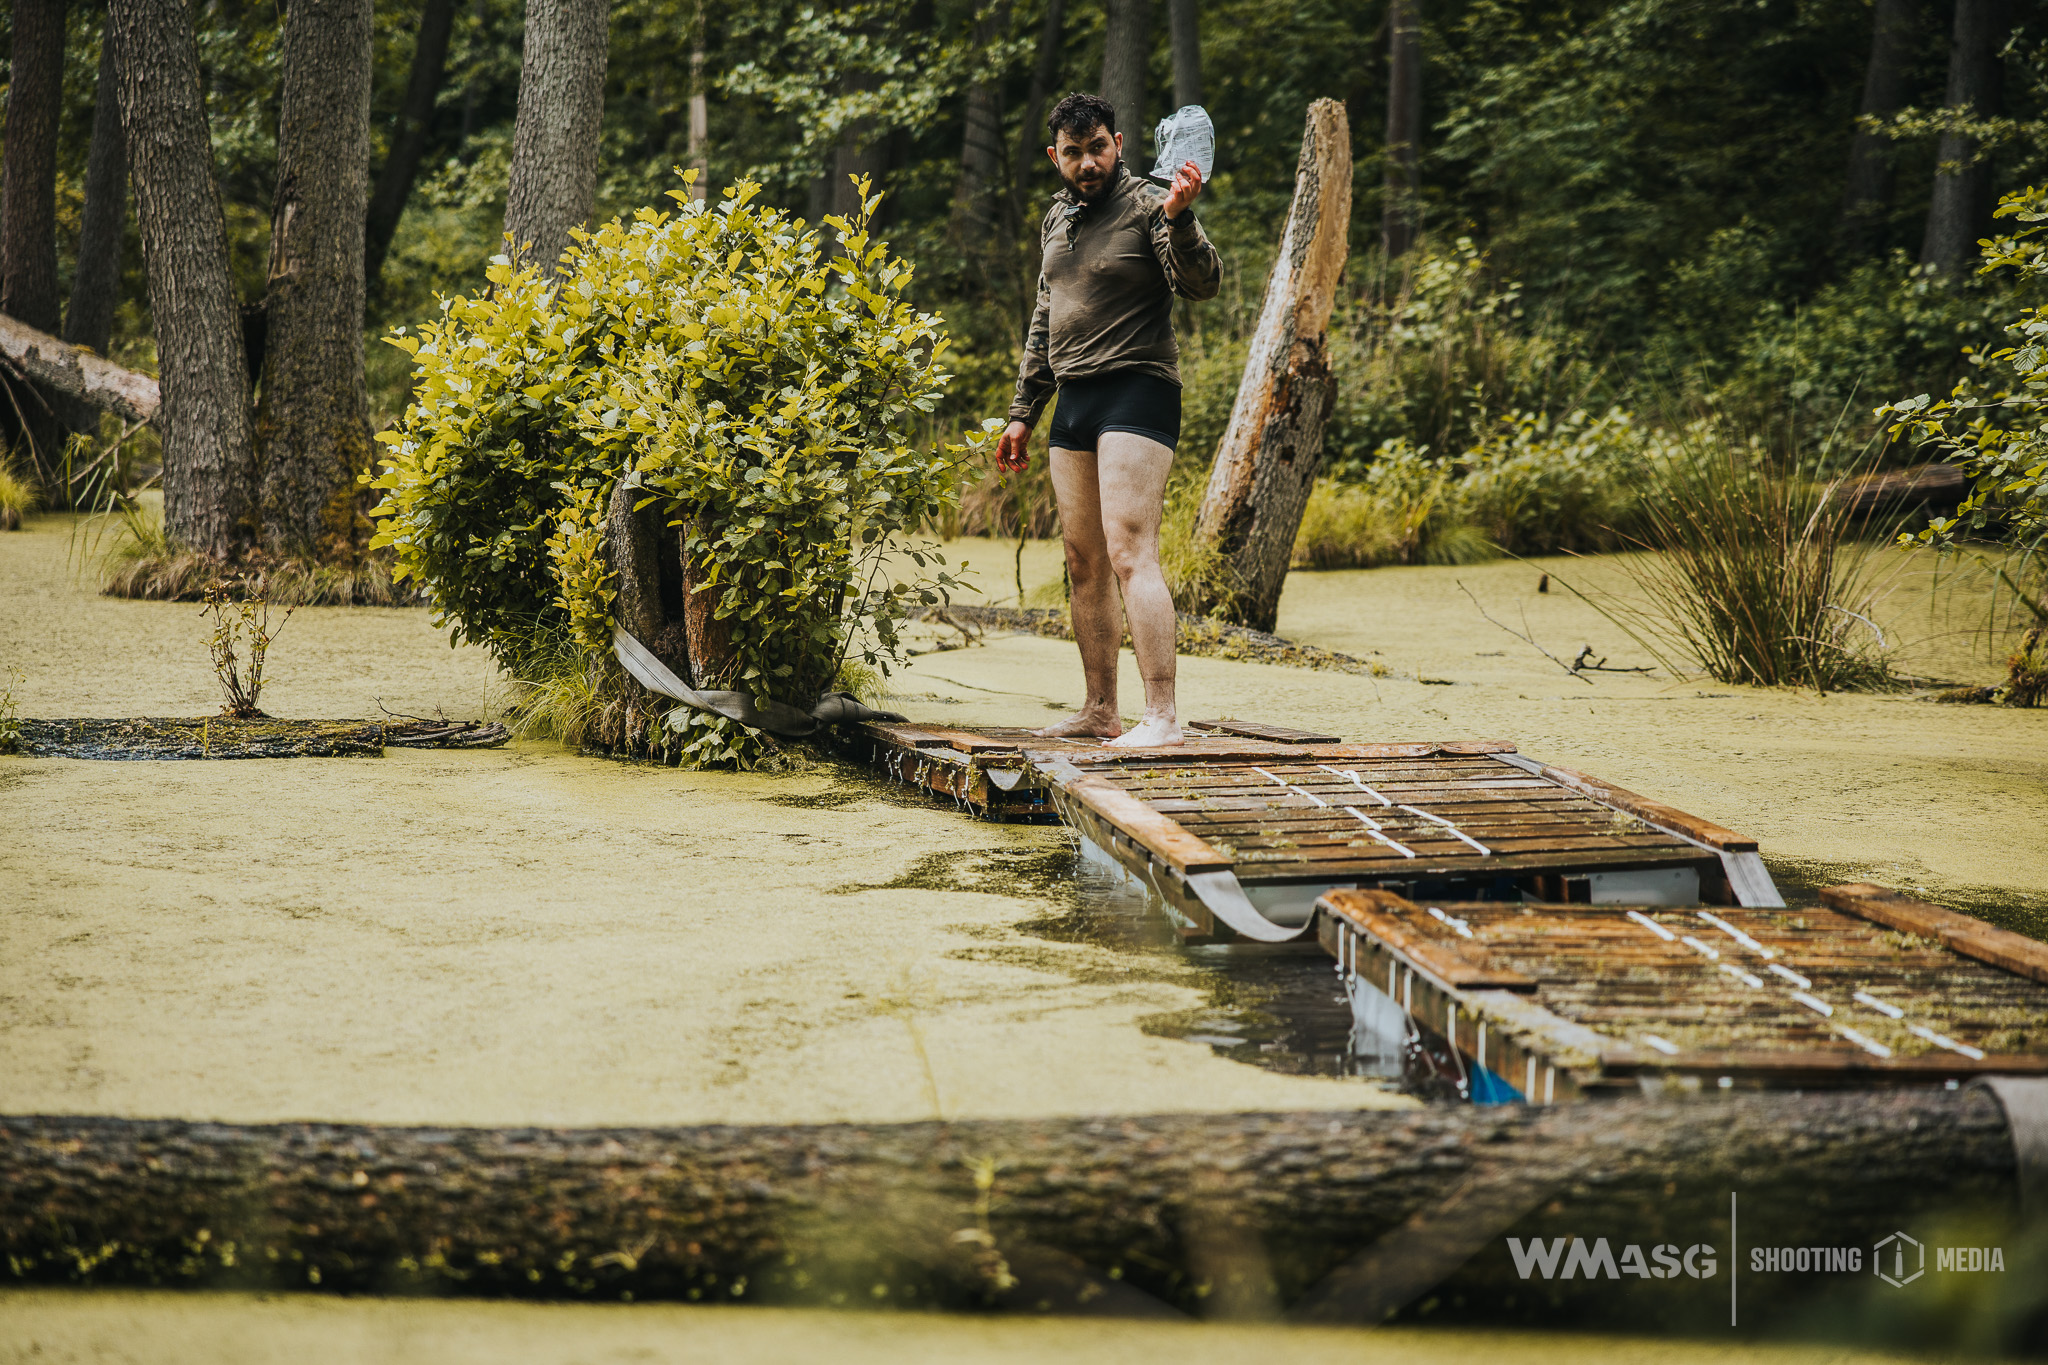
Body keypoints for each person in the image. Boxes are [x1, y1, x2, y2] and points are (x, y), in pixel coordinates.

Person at [996, 91, 1221, 747]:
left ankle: (1162, 718)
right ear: (1055, 157)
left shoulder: (1152, 203)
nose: (1087, 162)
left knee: (1128, 551)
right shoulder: (1056, 218)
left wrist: (1181, 218)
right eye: (1074, 153)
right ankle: (1100, 710)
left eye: (1097, 147)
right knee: (1083, 561)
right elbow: (1045, 315)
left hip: (1136, 389)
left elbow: (1203, 283)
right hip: (1074, 399)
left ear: (1117, 144)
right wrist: (1022, 412)